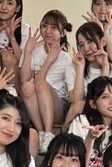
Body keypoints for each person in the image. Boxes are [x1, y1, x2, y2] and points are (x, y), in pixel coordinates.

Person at [20, 10, 73, 154]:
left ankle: (49, 134)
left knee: (41, 85)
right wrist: (28, 52)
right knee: (27, 86)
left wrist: (49, 61)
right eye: (44, 26)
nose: (47, 31)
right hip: (35, 106)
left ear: (63, 33)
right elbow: (24, 80)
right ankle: (42, 133)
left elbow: (39, 81)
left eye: (54, 27)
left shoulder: (65, 59)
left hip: (57, 106)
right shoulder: (35, 50)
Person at [63, 22, 112, 127]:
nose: (86, 48)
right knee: (79, 105)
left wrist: (105, 67)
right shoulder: (72, 68)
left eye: (90, 41)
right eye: (81, 45)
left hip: (110, 120)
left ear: (103, 41)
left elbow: (105, 101)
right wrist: (80, 68)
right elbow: (76, 102)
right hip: (80, 121)